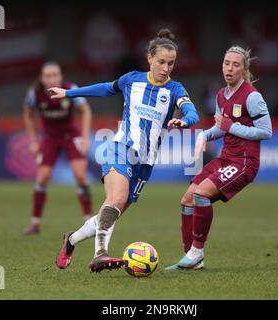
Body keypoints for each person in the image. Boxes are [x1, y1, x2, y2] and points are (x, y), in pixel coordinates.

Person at [49, 29, 200, 272]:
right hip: (121, 148)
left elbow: (192, 111)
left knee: (112, 212)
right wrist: (68, 93)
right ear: (149, 58)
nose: (166, 68)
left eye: (171, 63)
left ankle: (72, 240)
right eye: (161, 62)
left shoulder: (175, 90)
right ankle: (100, 254)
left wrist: (186, 121)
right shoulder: (132, 79)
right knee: (116, 198)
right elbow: (105, 88)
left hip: (145, 162)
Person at [165, 46, 272, 270]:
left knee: (202, 194)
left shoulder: (253, 97)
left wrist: (231, 125)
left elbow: (266, 131)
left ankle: (196, 252)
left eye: (235, 64)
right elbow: (221, 128)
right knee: (188, 199)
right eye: (226, 63)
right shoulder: (221, 95)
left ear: (244, 69)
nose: (230, 69)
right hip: (225, 158)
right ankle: (191, 258)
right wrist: (204, 134)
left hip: (244, 162)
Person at [23, 61, 93, 234]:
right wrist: (32, 141)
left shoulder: (70, 88)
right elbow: (28, 115)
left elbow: (85, 110)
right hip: (49, 138)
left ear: (61, 77)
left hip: (71, 136)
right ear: (42, 79)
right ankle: (35, 223)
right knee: (43, 177)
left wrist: (84, 137)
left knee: (80, 176)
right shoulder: (35, 94)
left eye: (55, 75)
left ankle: (89, 221)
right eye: (48, 76)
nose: (52, 78)